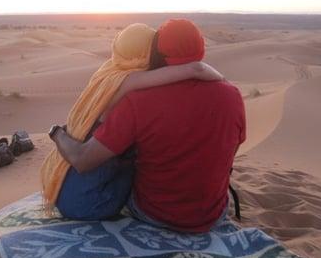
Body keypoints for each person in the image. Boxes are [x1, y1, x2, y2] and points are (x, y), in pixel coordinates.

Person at [49, 19, 246, 232]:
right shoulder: (232, 96)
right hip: (212, 216)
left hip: (154, 214)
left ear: (157, 54)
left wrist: (58, 133)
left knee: (126, 154)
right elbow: (232, 151)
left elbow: (84, 160)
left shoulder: (137, 99)